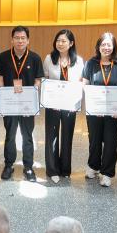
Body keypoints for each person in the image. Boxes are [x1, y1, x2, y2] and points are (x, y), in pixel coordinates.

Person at [0, 26, 44, 182]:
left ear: (28, 40)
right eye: (17, 38)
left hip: (27, 106)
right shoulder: (3, 57)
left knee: (27, 135)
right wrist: (2, 101)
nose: (20, 41)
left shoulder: (35, 58)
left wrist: (32, 101)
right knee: (10, 135)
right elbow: (0, 80)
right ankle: (8, 165)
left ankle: (28, 167)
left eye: (23, 38)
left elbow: (38, 81)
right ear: (12, 40)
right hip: (9, 104)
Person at [82, 32, 117, 187]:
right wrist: (93, 104)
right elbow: (85, 84)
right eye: (103, 44)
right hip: (95, 111)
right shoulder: (90, 64)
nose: (106, 47)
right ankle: (93, 166)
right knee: (94, 140)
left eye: (109, 44)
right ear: (98, 46)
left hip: (113, 113)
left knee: (111, 142)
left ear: (114, 47)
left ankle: (107, 173)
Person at [42, 29, 84, 184]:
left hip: (69, 105)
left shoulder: (79, 61)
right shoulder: (49, 59)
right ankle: (52, 170)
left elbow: (80, 83)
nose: (60, 43)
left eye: (64, 41)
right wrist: (48, 99)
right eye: (58, 40)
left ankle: (65, 169)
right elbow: (45, 80)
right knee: (51, 136)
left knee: (67, 136)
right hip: (52, 105)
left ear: (71, 43)